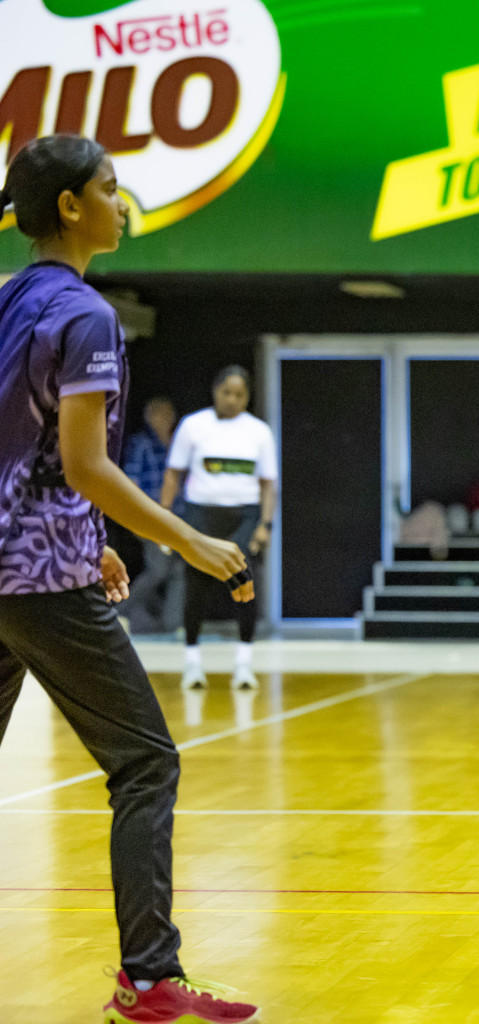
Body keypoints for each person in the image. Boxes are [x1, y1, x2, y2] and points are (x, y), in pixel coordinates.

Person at [0, 135, 257, 1023]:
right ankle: (150, 981)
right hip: (39, 583)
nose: (121, 201)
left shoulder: (8, 302)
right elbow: (80, 463)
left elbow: (25, 453)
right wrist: (184, 539)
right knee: (146, 763)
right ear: (71, 207)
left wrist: (90, 535)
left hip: (14, 563)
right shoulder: (83, 313)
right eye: (109, 188)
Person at [160, 366, 275, 690]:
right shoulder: (194, 426)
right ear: (216, 392)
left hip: (244, 517)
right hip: (201, 516)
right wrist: (164, 519)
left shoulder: (259, 432)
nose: (233, 400)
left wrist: (265, 524)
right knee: (194, 587)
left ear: (247, 397)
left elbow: (268, 484)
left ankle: (244, 664)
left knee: (245, 585)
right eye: (228, 393)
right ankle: (193, 664)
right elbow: (173, 474)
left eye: (240, 395)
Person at [117, 397, 183, 633]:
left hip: (178, 517)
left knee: (178, 570)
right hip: (150, 517)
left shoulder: (178, 443)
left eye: (167, 415)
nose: (163, 420)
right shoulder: (141, 443)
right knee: (159, 569)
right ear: (148, 418)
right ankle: (118, 613)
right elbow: (130, 482)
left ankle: (172, 624)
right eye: (157, 415)